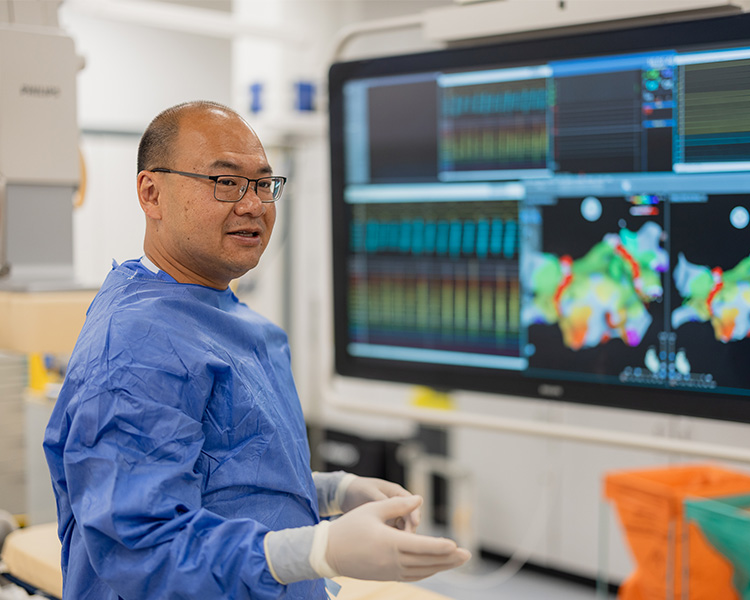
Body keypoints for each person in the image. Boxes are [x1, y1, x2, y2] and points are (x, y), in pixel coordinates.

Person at [43, 100, 470, 599]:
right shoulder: (136, 345)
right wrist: (320, 550)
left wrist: (333, 492)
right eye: (225, 182)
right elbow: (143, 550)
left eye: (264, 184)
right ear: (151, 192)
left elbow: (229, 474)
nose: (253, 205)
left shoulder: (237, 323)